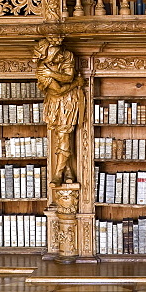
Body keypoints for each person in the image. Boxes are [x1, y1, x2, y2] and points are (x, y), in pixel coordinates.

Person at [35, 36, 84, 185]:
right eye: (57, 55)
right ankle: (68, 169)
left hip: (69, 101)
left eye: (60, 52)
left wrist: (55, 75)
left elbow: (68, 77)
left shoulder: (67, 55)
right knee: (60, 136)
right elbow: (58, 90)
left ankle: (58, 174)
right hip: (56, 102)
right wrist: (77, 82)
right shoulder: (42, 70)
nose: (61, 56)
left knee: (63, 135)